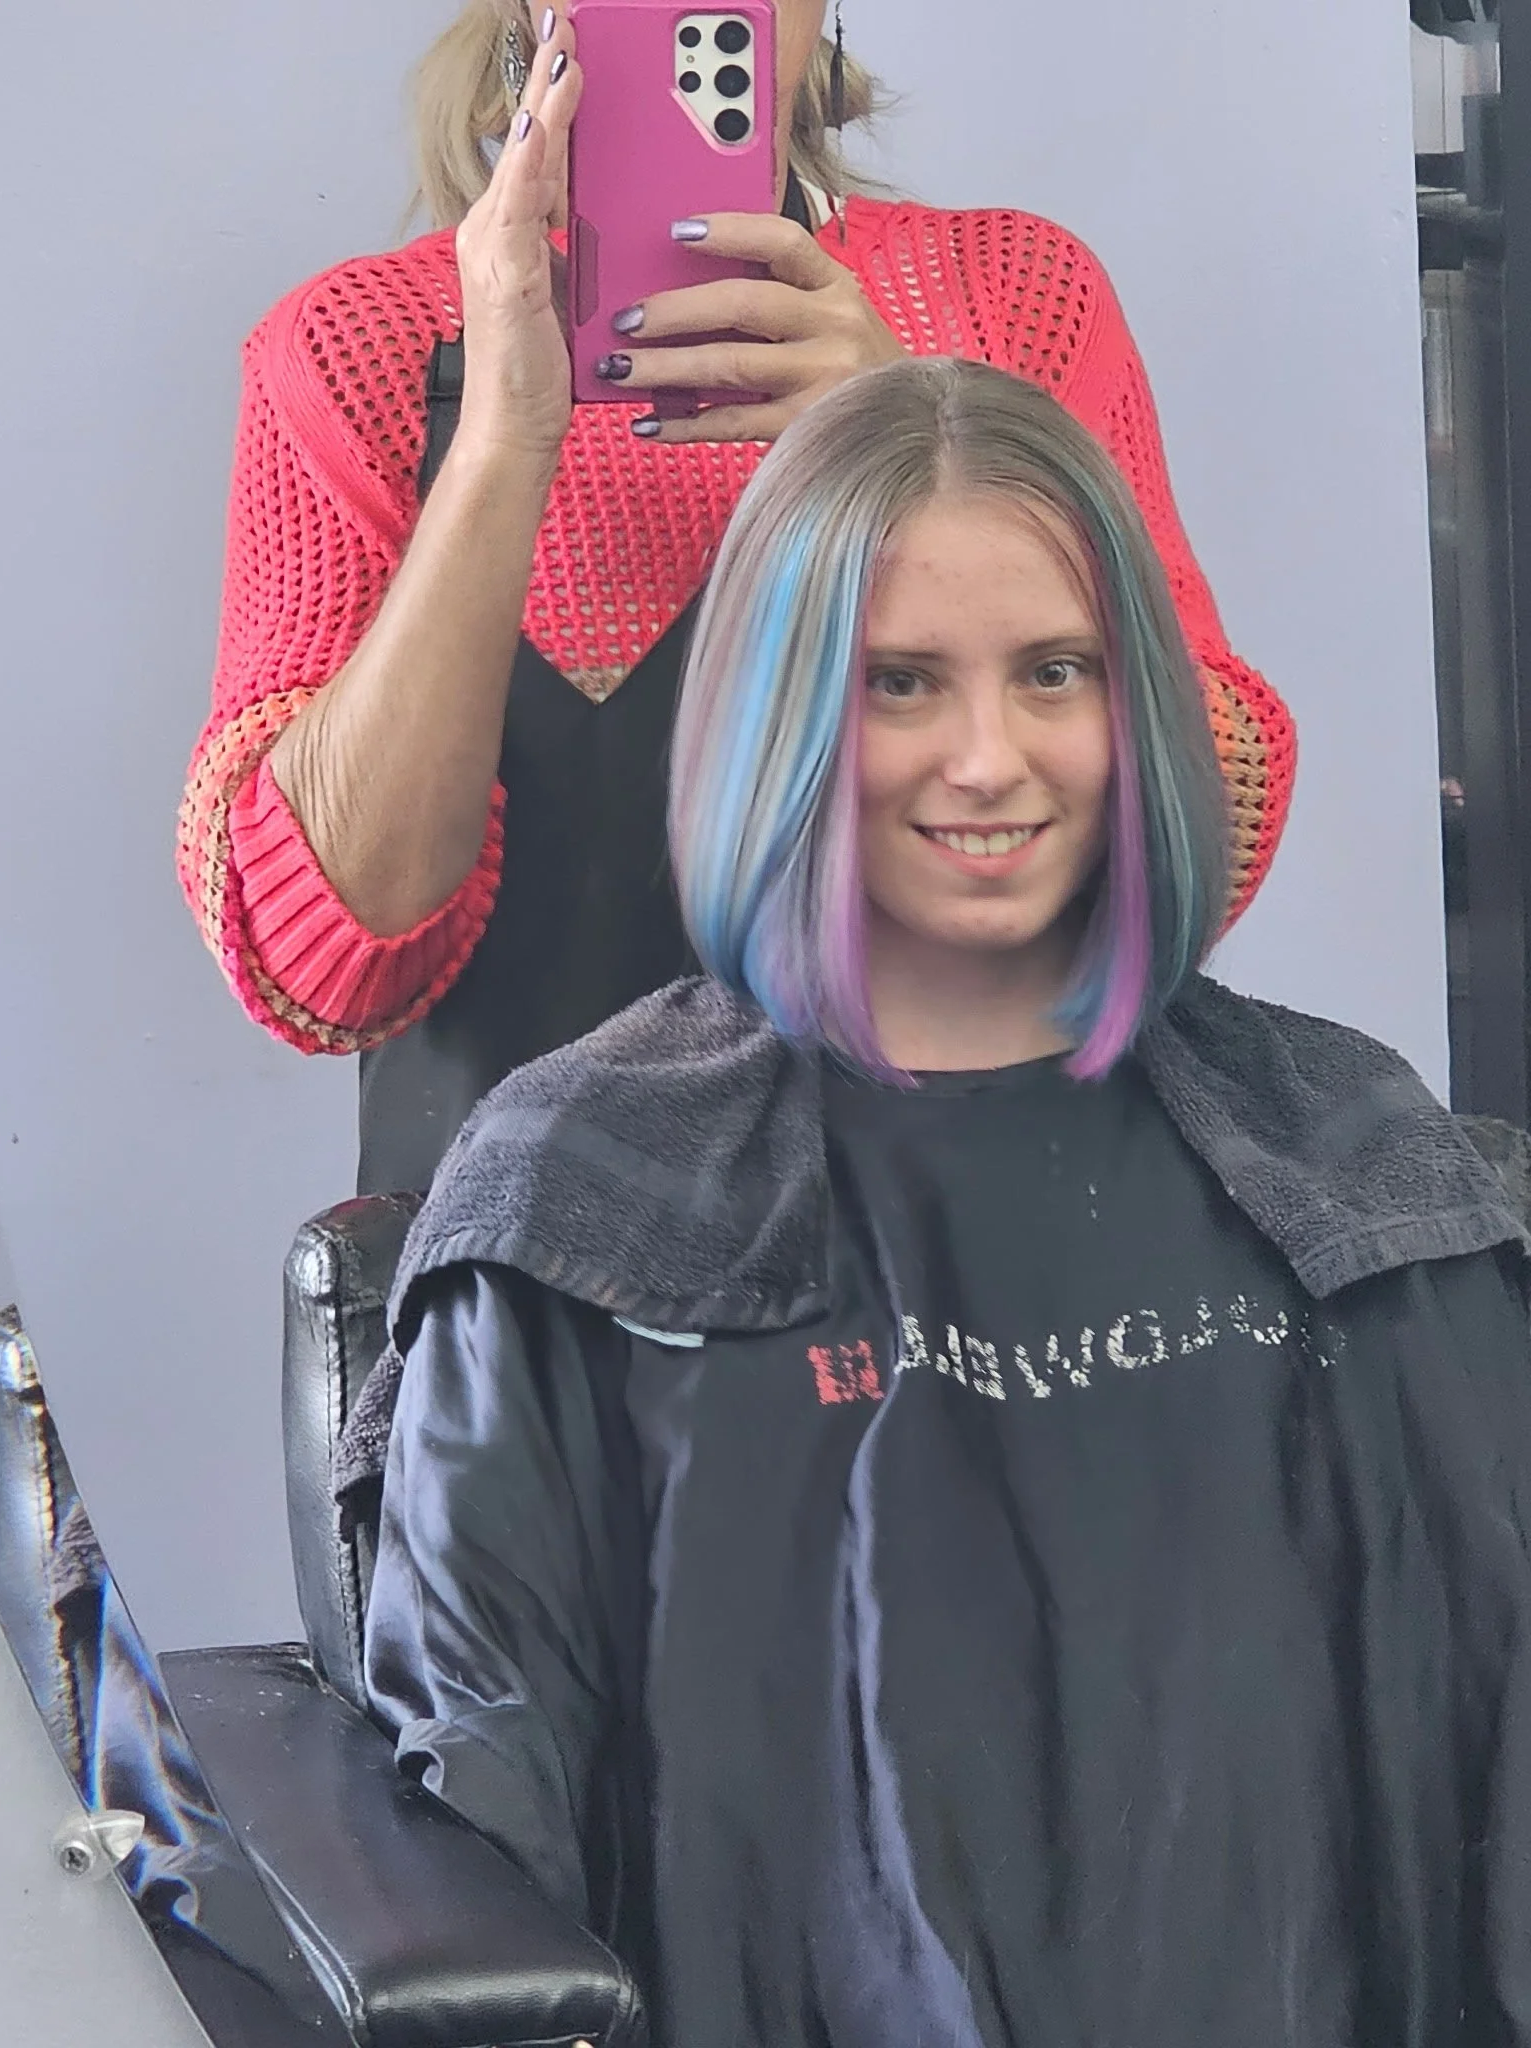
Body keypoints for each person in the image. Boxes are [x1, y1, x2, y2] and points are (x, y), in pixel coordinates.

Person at [356, 358, 1531, 2048]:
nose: (987, 759)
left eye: (1051, 671)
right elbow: (487, 1822)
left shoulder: (1350, 1155)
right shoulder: (580, 1195)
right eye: (898, 683)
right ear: (778, 716)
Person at [177, 0, 1294, 1196]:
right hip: (526, 1296)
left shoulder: (1010, 297)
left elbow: (1200, 829)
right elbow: (320, 958)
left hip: (971, 1247)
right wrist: (503, 442)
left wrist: (911, 446)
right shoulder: (361, 347)